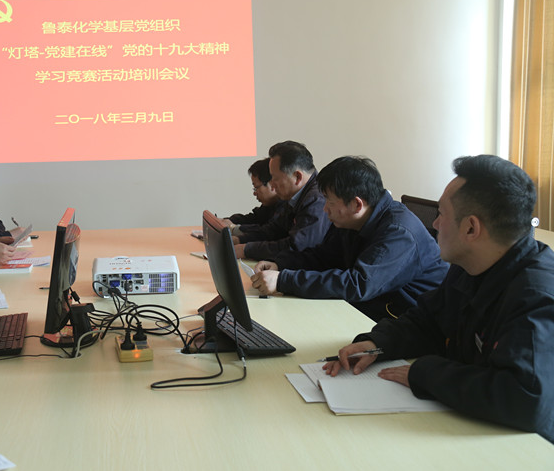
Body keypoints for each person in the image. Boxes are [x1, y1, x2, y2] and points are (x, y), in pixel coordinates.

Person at [324, 155, 554, 441]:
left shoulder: (536, 295)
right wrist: (377, 344)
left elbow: (525, 397)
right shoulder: (469, 266)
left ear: (471, 228)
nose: (434, 224)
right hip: (468, 425)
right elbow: (428, 320)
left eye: (441, 214)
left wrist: (424, 374)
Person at [252, 156, 448, 321]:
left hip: (405, 319)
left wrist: (284, 280)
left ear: (356, 204)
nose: (324, 209)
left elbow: (358, 284)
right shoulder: (352, 220)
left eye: (329, 201)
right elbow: (323, 256)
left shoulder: (398, 232)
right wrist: (280, 264)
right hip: (372, 308)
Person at [232, 141, 330, 261]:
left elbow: (296, 246)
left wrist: (247, 250)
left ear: (297, 177)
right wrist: (240, 240)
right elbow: (274, 230)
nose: (272, 185)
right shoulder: (296, 195)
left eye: (275, 178)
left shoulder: (316, 200)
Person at [222, 158, 280, 227]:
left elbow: (268, 230)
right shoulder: (269, 205)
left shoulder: (285, 207)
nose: (254, 193)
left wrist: (234, 228)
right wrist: (227, 221)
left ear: (272, 184)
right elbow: (253, 219)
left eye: (256, 188)